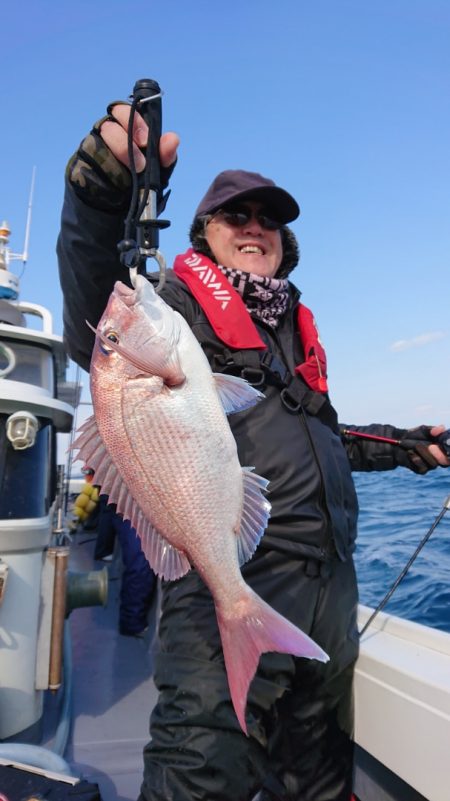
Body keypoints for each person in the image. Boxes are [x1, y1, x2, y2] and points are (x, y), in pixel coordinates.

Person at [57, 102, 449, 801]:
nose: (254, 227)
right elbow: (97, 301)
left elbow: (326, 439)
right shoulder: (174, 310)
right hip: (230, 581)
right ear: (203, 234)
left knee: (320, 783)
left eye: (268, 219)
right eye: (234, 215)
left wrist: (411, 447)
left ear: (283, 243)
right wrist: (98, 203)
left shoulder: (293, 337)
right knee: (198, 773)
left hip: (329, 596)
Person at [94, 493, 157, 637]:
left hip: (138, 502)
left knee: (139, 558)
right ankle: (131, 623)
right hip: (127, 504)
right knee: (140, 558)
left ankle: (132, 619)